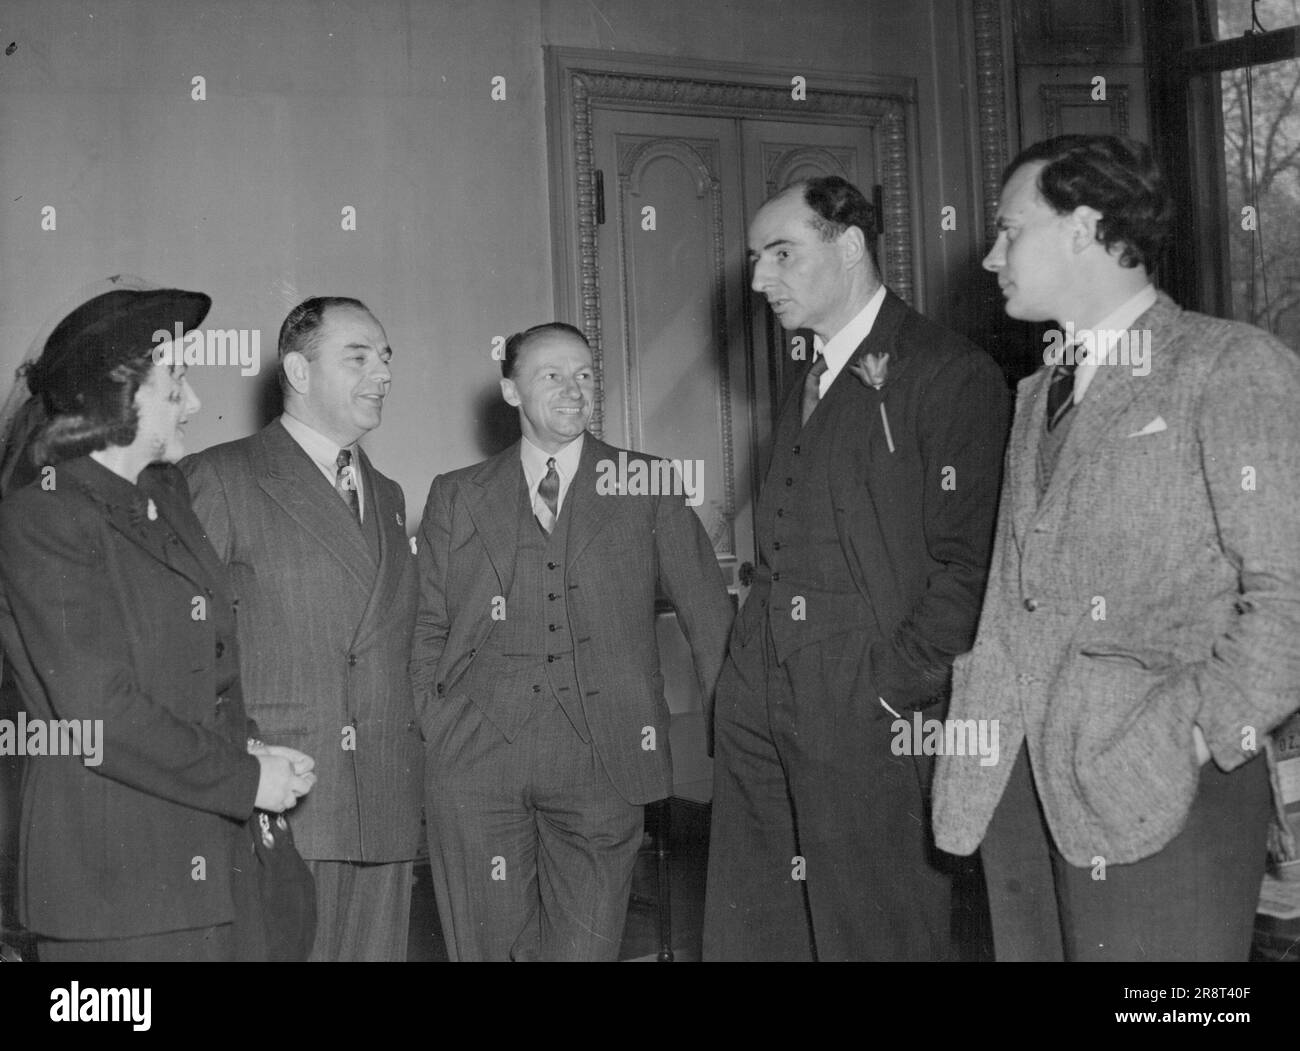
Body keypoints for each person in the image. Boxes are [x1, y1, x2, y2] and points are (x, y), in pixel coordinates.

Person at [932, 134, 1300, 961]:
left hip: (1162, 790)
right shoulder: (1038, 391)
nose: (992, 255)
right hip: (1016, 790)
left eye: (1008, 229)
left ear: (1083, 227)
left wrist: (1198, 732)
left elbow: (1291, 594)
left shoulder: (1227, 365)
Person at [703, 176, 1011, 961]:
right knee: (760, 931)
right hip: (760, 701)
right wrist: (743, 678)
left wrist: (884, 689)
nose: (759, 279)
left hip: (864, 711)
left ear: (849, 246)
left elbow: (970, 568)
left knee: (875, 935)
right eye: (754, 259)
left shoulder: (949, 372)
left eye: (781, 253)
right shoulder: (809, 375)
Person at [0, 277, 315, 962]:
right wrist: (245, 777)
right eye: (176, 383)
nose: (196, 403)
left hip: (213, 868)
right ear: (120, 394)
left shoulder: (165, 496)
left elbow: (206, 673)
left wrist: (251, 746)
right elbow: (100, 714)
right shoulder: (45, 517)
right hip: (115, 890)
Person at [411, 322, 732, 961]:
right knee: (487, 949)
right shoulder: (456, 494)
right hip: (476, 760)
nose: (573, 389)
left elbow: (708, 611)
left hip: (603, 759)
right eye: (551, 375)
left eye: (584, 374)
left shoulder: (646, 482)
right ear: (510, 390)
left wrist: (734, 732)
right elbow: (428, 626)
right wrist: (438, 725)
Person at [181, 296, 422, 962]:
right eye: (359, 356)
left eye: (387, 358)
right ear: (299, 368)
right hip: (286, 803)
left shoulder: (391, 495)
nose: (383, 373)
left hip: (385, 800)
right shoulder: (223, 478)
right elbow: (186, 651)